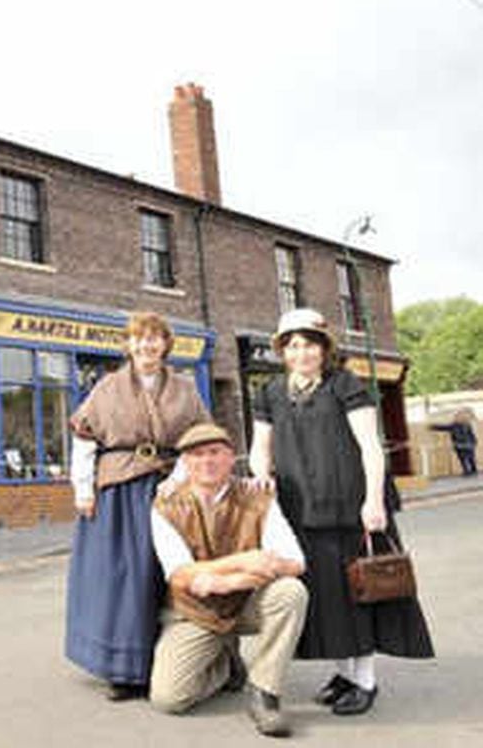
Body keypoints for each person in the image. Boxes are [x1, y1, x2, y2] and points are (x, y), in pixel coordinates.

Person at [250, 308, 434, 716]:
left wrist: (373, 501)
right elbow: (260, 448)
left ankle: (365, 680)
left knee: (360, 592)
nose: (302, 353)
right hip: (300, 511)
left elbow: (371, 446)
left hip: (351, 507)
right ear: (283, 350)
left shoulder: (344, 384)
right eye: (293, 345)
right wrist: (261, 476)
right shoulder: (271, 393)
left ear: (323, 348)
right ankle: (344, 673)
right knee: (327, 598)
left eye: (309, 344)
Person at [65, 311, 211, 700]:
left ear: (165, 344)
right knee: (122, 579)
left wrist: (179, 481)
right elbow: (84, 438)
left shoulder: (185, 389)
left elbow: (198, 438)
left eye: (154, 338)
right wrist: (83, 489)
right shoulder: (107, 387)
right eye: (139, 338)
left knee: (165, 577)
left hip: (169, 490)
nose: (147, 345)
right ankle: (122, 670)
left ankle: (180, 663)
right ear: (128, 345)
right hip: (117, 492)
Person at [149, 424, 308, 737]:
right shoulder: (166, 505)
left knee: (291, 592)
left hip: (247, 603)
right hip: (195, 613)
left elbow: (295, 562)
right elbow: (180, 574)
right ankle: (225, 665)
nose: (206, 462)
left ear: (231, 458)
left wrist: (227, 582)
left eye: (214, 453)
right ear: (185, 462)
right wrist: (245, 562)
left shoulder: (258, 496)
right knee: (168, 699)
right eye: (196, 455)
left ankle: (264, 692)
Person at [431, 410, 478, 476]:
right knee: (465, 458)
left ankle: (471, 471)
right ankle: (469, 471)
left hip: (465, 444)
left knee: (468, 458)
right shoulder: (457, 425)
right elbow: (443, 427)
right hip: (462, 444)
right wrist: (433, 427)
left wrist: (474, 441)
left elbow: (471, 434)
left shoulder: (464, 425)